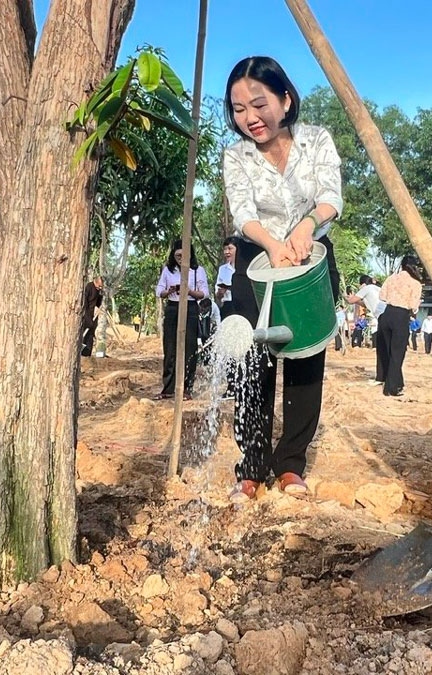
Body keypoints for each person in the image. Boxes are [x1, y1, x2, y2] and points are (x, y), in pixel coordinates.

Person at [221, 56, 343, 502]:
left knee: (305, 355)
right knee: (253, 363)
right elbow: (243, 213)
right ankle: (251, 468)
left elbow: (331, 196)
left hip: (309, 256)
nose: (250, 118)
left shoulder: (316, 141)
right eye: (238, 109)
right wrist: (274, 246)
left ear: (285, 99)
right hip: (258, 258)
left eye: (259, 104)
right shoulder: (236, 156)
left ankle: (291, 465)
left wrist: (306, 227)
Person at [155, 240, 208, 400]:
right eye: (177, 255)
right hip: (172, 308)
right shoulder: (168, 270)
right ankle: (168, 389)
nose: (180, 258)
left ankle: (186, 388)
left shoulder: (198, 271)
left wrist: (189, 291)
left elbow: (204, 293)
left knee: (190, 349)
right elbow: (159, 291)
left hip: (190, 308)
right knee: (170, 349)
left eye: (183, 255)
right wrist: (169, 290)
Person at [377, 256, 424, 396]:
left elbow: (381, 296)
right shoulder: (415, 283)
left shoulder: (391, 278)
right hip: (401, 316)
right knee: (397, 354)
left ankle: (397, 382)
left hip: (387, 314)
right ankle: (391, 389)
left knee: (388, 352)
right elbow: (413, 306)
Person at [346, 275, 384, 378]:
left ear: (362, 284)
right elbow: (364, 304)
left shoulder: (366, 288)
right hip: (387, 315)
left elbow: (351, 301)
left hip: (382, 317)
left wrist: (347, 296)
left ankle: (381, 376)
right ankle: (384, 375)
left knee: (381, 349)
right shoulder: (377, 289)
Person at [215, 236, 239, 319]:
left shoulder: (244, 269)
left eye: (230, 249)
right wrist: (220, 292)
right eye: (225, 249)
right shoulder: (222, 269)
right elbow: (218, 294)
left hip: (241, 305)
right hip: (227, 306)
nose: (227, 252)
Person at [81, 275, 104, 357]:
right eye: (99, 286)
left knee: (91, 335)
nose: (100, 288)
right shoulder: (89, 287)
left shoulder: (98, 290)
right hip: (85, 315)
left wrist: (101, 297)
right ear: (96, 282)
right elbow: (85, 305)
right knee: (85, 334)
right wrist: (87, 319)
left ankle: (88, 354)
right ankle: (82, 354)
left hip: (92, 315)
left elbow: (97, 304)